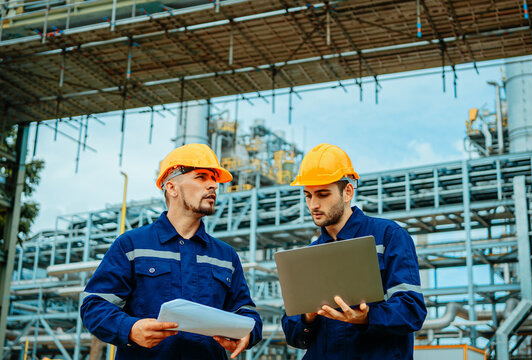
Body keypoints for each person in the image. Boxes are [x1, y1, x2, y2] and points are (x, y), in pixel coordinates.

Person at [80, 143, 263, 359]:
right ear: (172, 187)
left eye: (214, 179)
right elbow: (94, 305)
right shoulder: (131, 245)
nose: (213, 185)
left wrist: (248, 333)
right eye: (201, 177)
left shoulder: (226, 256)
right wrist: (130, 328)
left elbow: (246, 312)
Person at [281, 143, 426, 359]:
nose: (313, 205)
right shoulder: (308, 256)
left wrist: (367, 317)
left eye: (322, 194)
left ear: (347, 192)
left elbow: (411, 311)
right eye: (308, 196)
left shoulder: (388, 236)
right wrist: (307, 316)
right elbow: (294, 336)